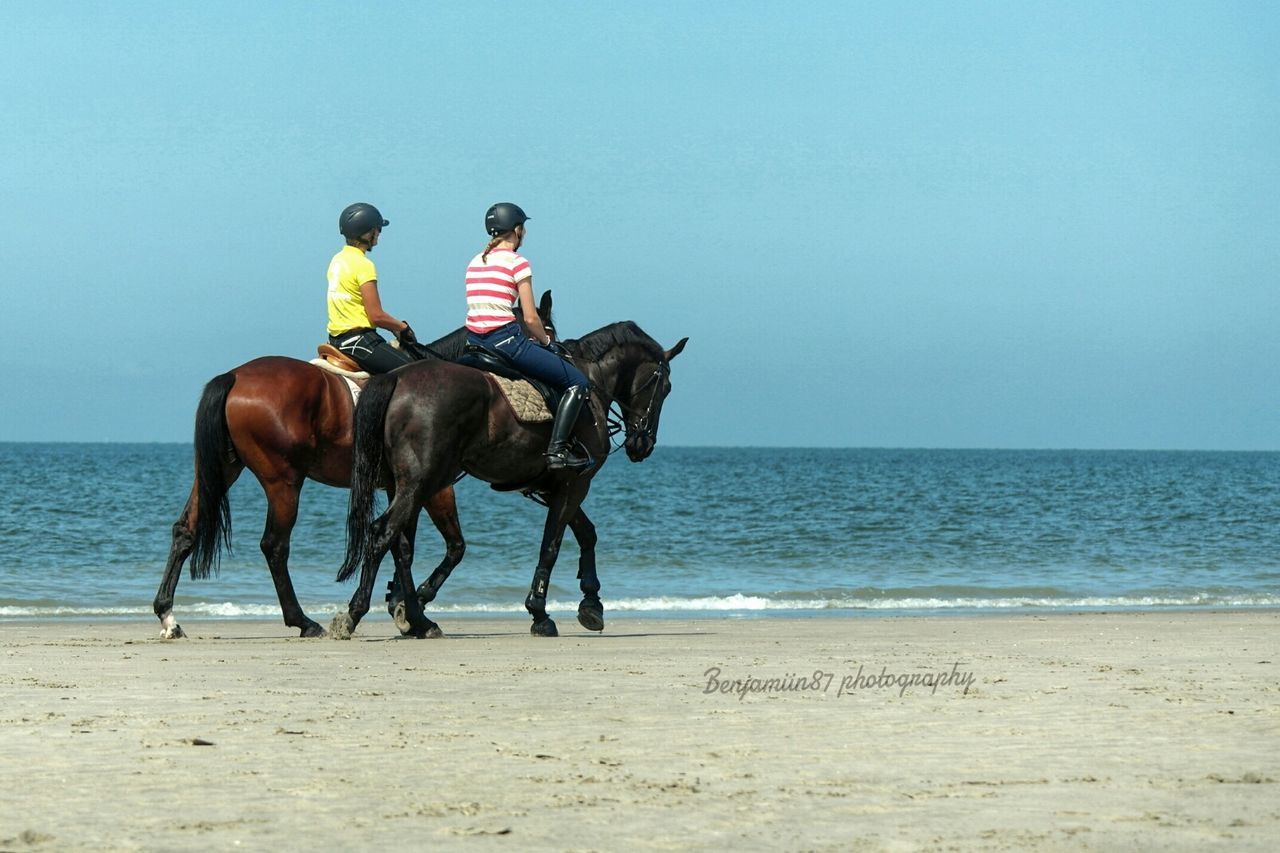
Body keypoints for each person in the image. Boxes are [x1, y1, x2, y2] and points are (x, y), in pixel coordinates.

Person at [465, 202, 591, 470]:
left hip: (474, 343)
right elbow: (531, 318)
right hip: (507, 343)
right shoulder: (518, 262)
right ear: (518, 230)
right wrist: (547, 343)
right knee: (577, 382)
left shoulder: (475, 261)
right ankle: (557, 451)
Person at [327, 202, 419, 373]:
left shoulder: (337, 260)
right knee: (415, 373)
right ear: (368, 233)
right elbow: (376, 315)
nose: (378, 235)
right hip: (359, 341)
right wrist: (402, 328)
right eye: (378, 230)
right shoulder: (363, 265)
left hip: (335, 340)